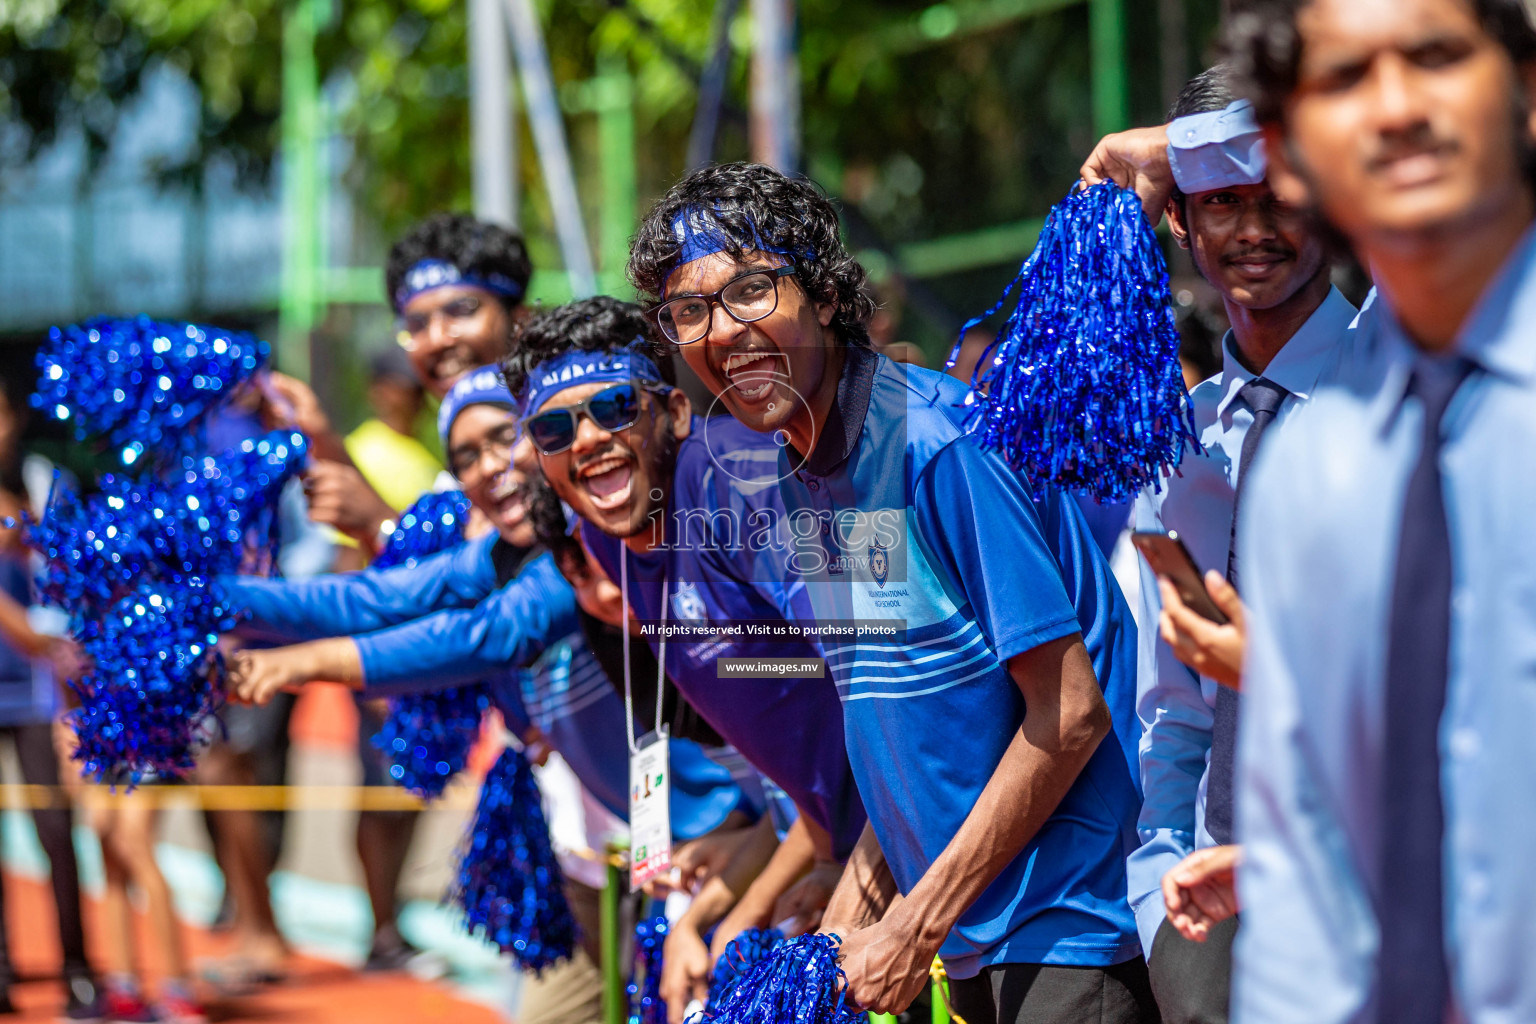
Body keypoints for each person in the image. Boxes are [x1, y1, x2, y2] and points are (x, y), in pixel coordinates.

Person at [626, 163, 1150, 1024]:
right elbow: (910, 720)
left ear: (826, 297)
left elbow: (1070, 713)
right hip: (972, 936)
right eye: (691, 310)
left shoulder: (940, 444)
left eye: (752, 290)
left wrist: (915, 922)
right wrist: (846, 920)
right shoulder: (800, 463)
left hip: (1067, 934)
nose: (724, 331)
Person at [221, 369, 763, 1024]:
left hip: (733, 848)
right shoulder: (503, 552)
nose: (487, 468)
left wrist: (297, 665)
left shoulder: (586, 540)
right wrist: (208, 602)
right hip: (624, 860)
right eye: (465, 456)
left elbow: (488, 634)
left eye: (505, 438)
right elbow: (372, 596)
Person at [1218, 1, 1536, 1021]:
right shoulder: (1310, 471)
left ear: (1526, 90)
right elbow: (1309, 875)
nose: (1398, 107)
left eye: (1438, 56)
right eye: (1347, 79)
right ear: (1290, 157)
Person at [500, 297, 871, 1020]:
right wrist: (769, 891)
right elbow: (808, 752)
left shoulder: (748, 487)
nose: (585, 439)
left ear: (671, 412)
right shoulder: (610, 535)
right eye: (553, 427)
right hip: (841, 848)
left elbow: (911, 690)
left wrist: (861, 874)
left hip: (973, 853)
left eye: (612, 406)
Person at [1078, 65, 1357, 1024]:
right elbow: (1178, 712)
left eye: (1277, 192)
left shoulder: (1414, 385)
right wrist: (1159, 874)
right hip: (1213, 921)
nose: (1251, 228)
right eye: (1219, 201)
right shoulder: (1180, 444)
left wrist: (1167, 148)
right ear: (1180, 227)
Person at [284, 213, 533, 555]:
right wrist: (324, 440)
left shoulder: (559, 432)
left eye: (461, 310)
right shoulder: (457, 468)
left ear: (520, 320)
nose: (437, 339)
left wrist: (382, 526)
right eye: (416, 323)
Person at [340, 346, 446, 973]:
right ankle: (379, 930)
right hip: (383, 655)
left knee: (410, 789)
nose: (412, 395)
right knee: (379, 792)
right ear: (379, 387)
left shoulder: (426, 455)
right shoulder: (362, 453)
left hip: (425, 655)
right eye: (403, 384)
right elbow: (346, 563)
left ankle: (391, 920)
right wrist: (367, 661)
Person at [0, 382, 103, 1021]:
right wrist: (29, 634)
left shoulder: (44, 481)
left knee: (56, 828)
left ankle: (79, 969)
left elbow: (77, 570)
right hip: (25, 660)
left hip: (36, 692)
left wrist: (24, 531)